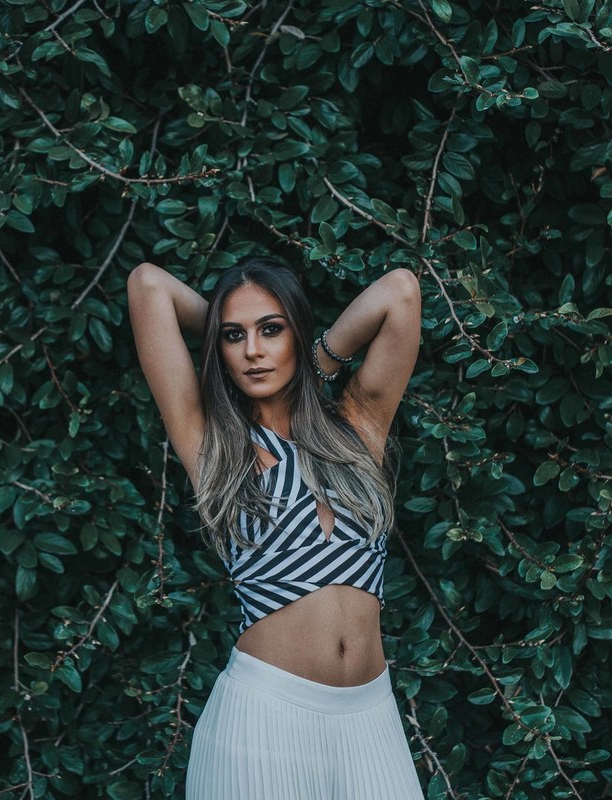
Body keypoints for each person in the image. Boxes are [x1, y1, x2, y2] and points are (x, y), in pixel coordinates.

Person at [127, 255, 424, 799]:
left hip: (371, 719)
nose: (253, 351)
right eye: (233, 336)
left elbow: (400, 291)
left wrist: (320, 361)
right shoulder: (214, 446)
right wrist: (219, 326)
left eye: (271, 329)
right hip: (263, 720)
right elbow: (148, 285)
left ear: (296, 331)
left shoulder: (357, 428)